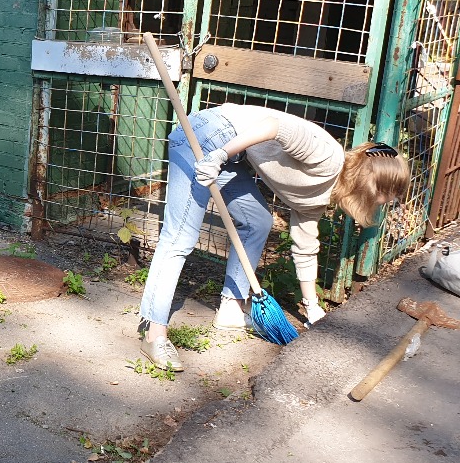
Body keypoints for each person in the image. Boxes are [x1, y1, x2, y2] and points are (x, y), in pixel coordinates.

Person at [137, 103, 409, 371]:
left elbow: (305, 248)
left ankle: (232, 309)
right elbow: (274, 127)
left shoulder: (324, 196)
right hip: (208, 135)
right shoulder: (328, 156)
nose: (388, 202)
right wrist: (220, 154)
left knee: (257, 221)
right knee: (180, 236)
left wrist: (312, 307)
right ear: (371, 183)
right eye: (389, 194)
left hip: (231, 153)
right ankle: (154, 333)